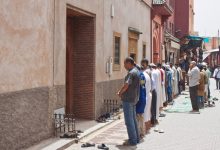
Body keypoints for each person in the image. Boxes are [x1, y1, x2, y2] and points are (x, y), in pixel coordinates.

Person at [117, 57, 140, 146]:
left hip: (128, 99)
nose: (124, 66)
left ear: (129, 63)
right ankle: (136, 138)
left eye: (125, 64)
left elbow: (127, 85)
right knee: (133, 120)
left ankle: (132, 140)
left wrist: (120, 92)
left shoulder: (131, 73)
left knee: (129, 121)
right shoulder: (137, 71)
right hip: (134, 99)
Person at [141, 59, 152, 132]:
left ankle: (144, 130)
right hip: (148, 95)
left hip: (145, 96)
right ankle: (148, 129)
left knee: (144, 114)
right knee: (147, 113)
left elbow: (142, 86)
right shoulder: (147, 75)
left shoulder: (142, 76)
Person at [136, 69, 146, 139]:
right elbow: (143, 86)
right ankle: (142, 133)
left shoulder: (138, 75)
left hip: (139, 99)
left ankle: (138, 133)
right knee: (141, 116)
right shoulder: (142, 76)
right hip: (143, 98)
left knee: (138, 117)